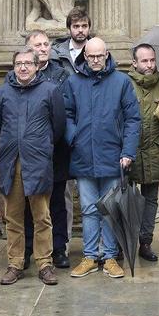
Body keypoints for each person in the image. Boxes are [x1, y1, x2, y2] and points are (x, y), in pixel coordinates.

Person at [62, 37, 141, 278]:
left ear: (107, 55)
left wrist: (128, 151)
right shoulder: (73, 82)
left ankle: (109, 257)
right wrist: (73, 137)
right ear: (84, 56)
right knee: (87, 209)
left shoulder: (122, 82)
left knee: (110, 209)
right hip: (83, 155)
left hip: (113, 156)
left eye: (100, 55)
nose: (96, 60)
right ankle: (89, 256)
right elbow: (65, 115)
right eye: (91, 56)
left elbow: (132, 120)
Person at [0, 47, 64, 286]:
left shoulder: (50, 91)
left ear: (37, 66)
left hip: (38, 162)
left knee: (42, 216)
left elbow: (58, 126)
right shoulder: (2, 92)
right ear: (13, 67)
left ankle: (44, 263)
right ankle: (15, 263)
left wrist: (39, 145)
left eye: (28, 63)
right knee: (13, 217)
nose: (23, 67)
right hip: (11, 161)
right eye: (19, 63)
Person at [27, 30, 74, 267]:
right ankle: (28, 249)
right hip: (28, 152)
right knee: (28, 201)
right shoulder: (20, 73)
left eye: (46, 44)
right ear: (29, 48)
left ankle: (59, 249)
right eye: (38, 44)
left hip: (55, 149)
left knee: (57, 201)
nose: (43, 48)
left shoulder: (61, 75)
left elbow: (64, 112)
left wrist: (51, 139)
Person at [128, 43, 159, 263]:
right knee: (126, 197)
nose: (149, 65)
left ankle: (145, 242)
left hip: (155, 149)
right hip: (129, 150)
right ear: (134, 63)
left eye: (152, 60)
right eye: (144, 61)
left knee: (150, 199)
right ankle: (123, 240)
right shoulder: (124, 84)